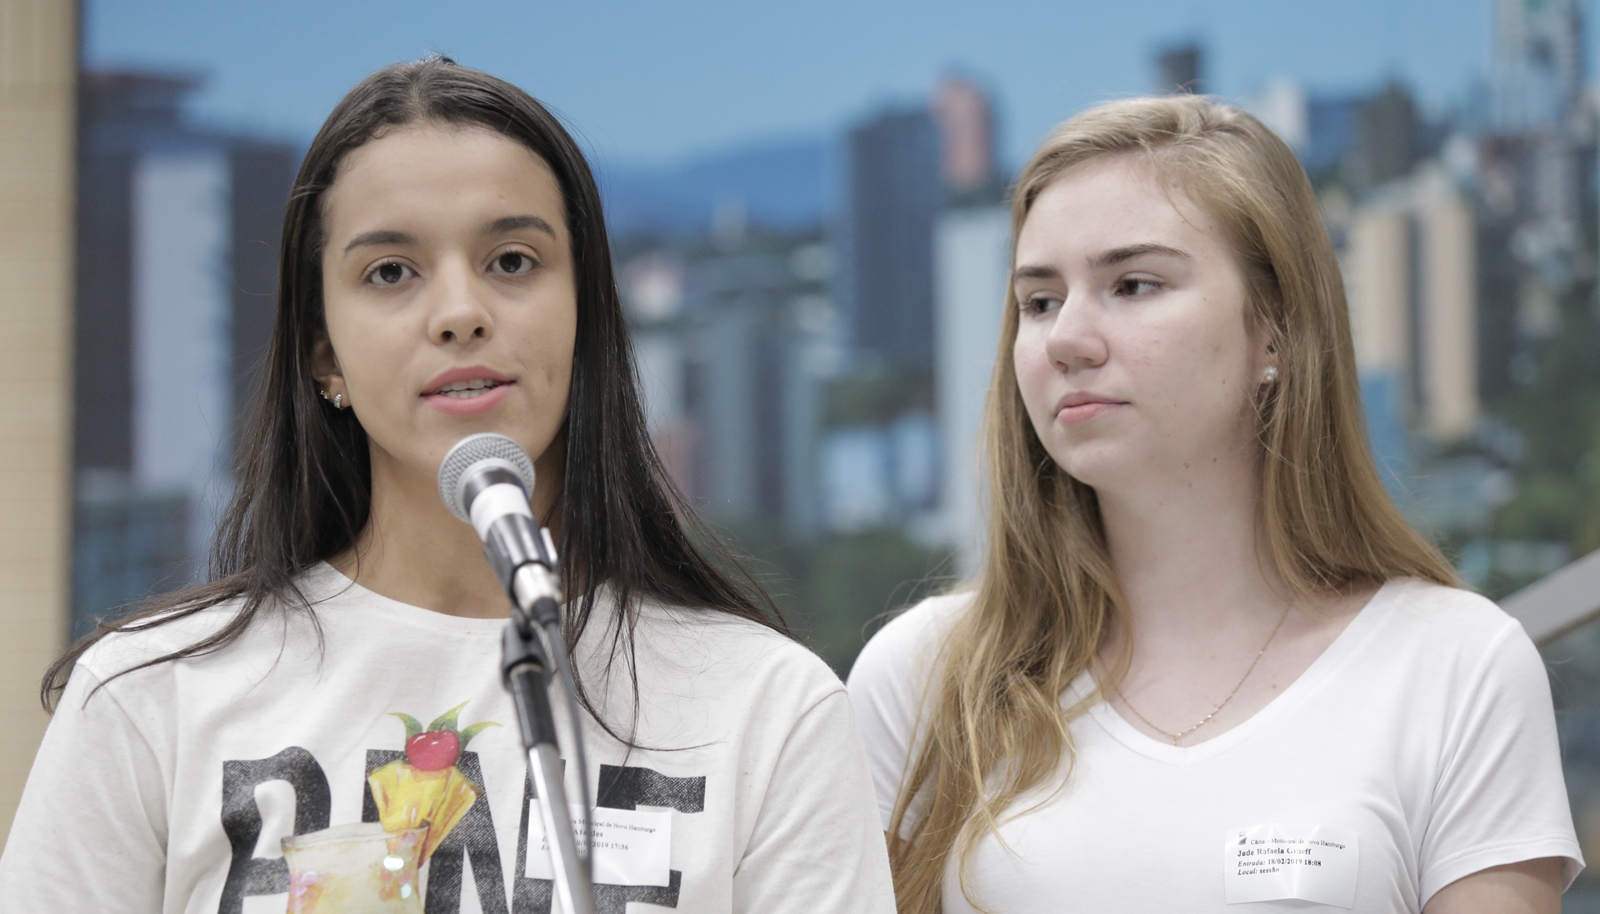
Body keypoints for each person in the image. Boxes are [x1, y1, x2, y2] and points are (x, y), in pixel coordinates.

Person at [0, 58, 893, 914]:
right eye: (391, 272)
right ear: (324, 352)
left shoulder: (767, 708)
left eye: (512, 261)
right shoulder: (151, 697)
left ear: (584, 316)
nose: (461, 311)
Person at [847, 95, 1581, 914]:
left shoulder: (1454, 665)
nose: (1066, 339)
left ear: (1274, 327)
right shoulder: (925, 678)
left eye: (1133, 284)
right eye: (1040, 301)